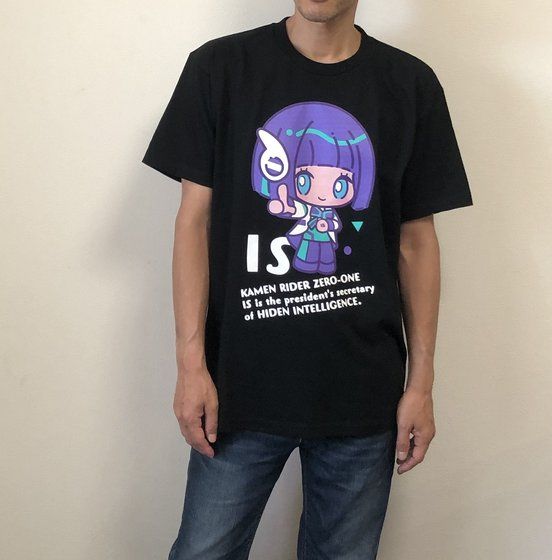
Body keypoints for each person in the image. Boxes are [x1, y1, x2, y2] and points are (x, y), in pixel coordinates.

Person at [142, 1, 473, 558]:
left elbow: (417, 243)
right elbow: (193, 223)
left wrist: (421, 385)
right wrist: (190, 367)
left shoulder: (410, 84)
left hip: (363, 395)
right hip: (238, 388)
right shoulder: (220, 68)